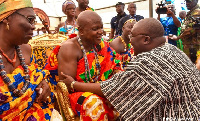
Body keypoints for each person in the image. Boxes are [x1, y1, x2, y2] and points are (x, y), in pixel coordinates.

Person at [61, 18, 200, 121]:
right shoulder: (173, 49)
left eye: (132, 36)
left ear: (146, 40)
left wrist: (73, 84)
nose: (129, 40)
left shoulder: (147, 61)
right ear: (81, 31)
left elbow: (113, 88)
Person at [45, 10, 122, 120]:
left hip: (100, 87)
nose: (101, 32)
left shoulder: (102, 45)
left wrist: (116, 79)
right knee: (94, 104)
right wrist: (102, 88)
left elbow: (116, 64)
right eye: (95, 29)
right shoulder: (69, 48)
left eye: (101, 27)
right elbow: (68, 86)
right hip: (77, 93)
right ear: (81, 31)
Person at [0, 0, 55, 120]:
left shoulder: (27, 50)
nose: (34, 26)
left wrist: (43, 83)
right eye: (30, 19)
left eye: (34, 21)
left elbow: (36, 75)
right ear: (6, 18)